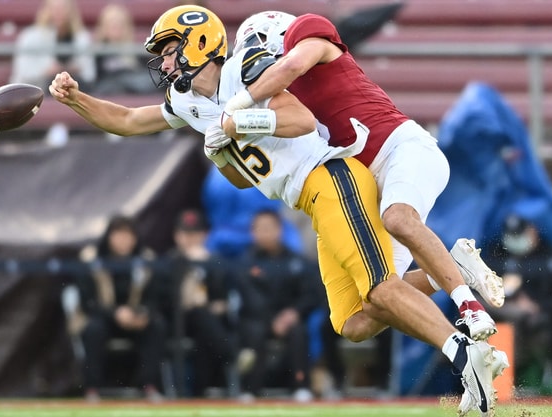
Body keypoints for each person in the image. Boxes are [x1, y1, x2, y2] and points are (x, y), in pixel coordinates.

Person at [50, 6, 506, 414]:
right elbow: (130, 121)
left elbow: (301, 119)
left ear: (199, 43)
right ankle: (453, 271)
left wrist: (237, 122)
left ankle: (465, 355)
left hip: (333, 178)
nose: (164, 63)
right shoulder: (188, 103)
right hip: (308, 199)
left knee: (381, 289)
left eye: (169, 51)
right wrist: (77, 100)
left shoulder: (245, 72)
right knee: (353, 322)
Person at [222, 12, 505, 342]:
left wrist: (238, 105)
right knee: (371, 307)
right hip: (365, 183)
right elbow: (253, 169)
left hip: (400, 148)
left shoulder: (307, 33)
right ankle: (456, 268)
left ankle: (469, 308)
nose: (253, 63)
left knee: (397, 218)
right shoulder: (280, 99)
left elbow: (291, 67)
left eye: (254, 49)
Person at [152, 209, 250, 397]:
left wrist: (216, 302)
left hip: (207, 324)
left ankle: (198, 394)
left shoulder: (214, 262)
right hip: (176, 321)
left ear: (204, 235)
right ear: (176, 236)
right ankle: (233, 356)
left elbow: (223, 295)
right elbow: (167, 300)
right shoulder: (168, 262)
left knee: (206, 330)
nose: (190, 239)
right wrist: (192, 269)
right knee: (202, 317)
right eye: (185, 234)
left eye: (195, 234)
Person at [75, 215, 166, 403]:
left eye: (128, 235)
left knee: (157, 325)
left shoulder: (146, 260)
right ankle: (92, 388)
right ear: (109, 236)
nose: (123, 240)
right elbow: (87, 301)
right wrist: (114, 313)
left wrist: (143, 313)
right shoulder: (92, 259)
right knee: (94, 329)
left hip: (135, 320)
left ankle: (149, 385)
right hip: (104, 318)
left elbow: (155, 297)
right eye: (118, 234)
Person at [236, 209, 320, 401]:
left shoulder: (296, 261)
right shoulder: (246, 263)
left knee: (299, 331)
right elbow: (250, 298)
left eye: (269, 228)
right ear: (253, 232)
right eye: (260, 228)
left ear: (279, 230)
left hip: (289, 319)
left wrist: (294, 313)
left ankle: (301, 386)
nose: (265, 233)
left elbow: (310, 295)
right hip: (257, 320)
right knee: (253, 331)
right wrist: (272, 320)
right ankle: (249, 388)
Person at [484, 215, 552, 390]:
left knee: (524, 318)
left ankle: (513, 376)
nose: (515, 240)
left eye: (519, 234)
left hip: (538, 320)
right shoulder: (497, 254)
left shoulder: (550, 256)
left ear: (532, 231)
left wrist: (536, 306)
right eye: (512, 235)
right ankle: (496, 379)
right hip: (499, 313)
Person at [11, 0, 95, 92]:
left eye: (63, 8)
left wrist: (74, 69)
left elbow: (89, 74)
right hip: (38, 88)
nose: (59, 12)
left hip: (74, 86)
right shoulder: (29, 36)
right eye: (54, 8)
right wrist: (47, 70)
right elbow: (23, 72)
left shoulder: (81, 37)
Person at [90, 3, 154, 96]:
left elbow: (147, 81)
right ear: (103, 26)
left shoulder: (138, 51)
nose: (116, 26)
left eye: (119, 23)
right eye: (111, 23)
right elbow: (95, 83)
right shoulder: (96, 54)